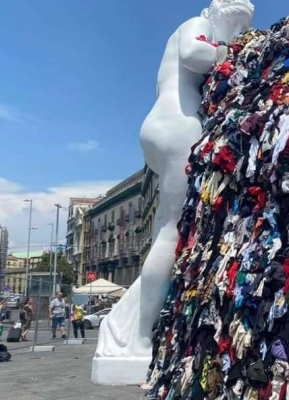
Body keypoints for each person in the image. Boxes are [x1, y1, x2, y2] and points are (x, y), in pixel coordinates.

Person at [94, 0, 255, 385]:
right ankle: (139, 337)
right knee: (171, 231)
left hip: (163, 126)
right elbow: (195, 53)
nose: (234, 32)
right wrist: (233, 51)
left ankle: (133, 320)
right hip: (178, 126)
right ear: (218, 12)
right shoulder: (197, 23)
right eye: (233, 22)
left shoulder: (197, 27)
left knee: (164, 234)